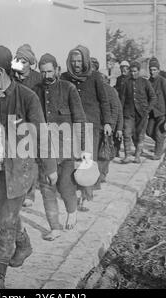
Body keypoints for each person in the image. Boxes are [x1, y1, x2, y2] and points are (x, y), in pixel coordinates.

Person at [0, 46, 57, 288]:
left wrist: (50, 167)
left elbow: (41, 133)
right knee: (6, 215)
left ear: (0, 71)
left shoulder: (27, 97)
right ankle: (24, 244)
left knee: (6, 220)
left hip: (18, 171)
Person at [33, 53, 87, 241]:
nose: (47, 75)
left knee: (65, 184)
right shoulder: (35, 91)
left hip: (66, 147)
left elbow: (79, 118)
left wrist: (83, 148)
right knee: (47, 187)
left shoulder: (68, 88)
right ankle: (54, 227)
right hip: (44, 147)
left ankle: (72, 211)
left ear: (57, 70)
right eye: (43, 72)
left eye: (50, 71)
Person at [61, 45, 113, 212]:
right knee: (73, 160)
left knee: (88, 160)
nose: (76, 64)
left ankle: (86, 195)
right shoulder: (64, 77)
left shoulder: (96, 77)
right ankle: (73, 193)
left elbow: (104, 101)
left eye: (79, 61)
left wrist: (107, 122)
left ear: (85, 60)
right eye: (73, 61)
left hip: (91, 124)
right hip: (71, 124)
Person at [12, 44, 42, 208]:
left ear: (30, 63)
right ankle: (19, 190)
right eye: (18, 61)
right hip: (15, 122)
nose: (21, 64)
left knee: (31, 159)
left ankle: (30, 193)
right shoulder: (12, 78)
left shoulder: (38, 79)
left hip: (33, 123)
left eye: (24, 61)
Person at [91, 57, 123, 177]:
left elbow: (115, 108)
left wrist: (111, 125)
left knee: (104, 150)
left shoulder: (107, 89)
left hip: (104, 125)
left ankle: (102, 173)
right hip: (91, 124)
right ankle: (94, 175)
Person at [119, 61, 157, 163]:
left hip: (142, 114)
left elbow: (153, 97)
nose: (132, 74)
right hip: (128, 113)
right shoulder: (126, 83)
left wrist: (148, 110)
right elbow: (122, 99)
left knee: (140, 135)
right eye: (131, 71)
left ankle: (137, 156)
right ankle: (127, 156)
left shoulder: (145, 82)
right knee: (126, 133)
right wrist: (120, 113)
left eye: (135, 71)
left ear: (139, 71)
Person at [147, 57, 166, 160]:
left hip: (162, 112)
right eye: (150, 69)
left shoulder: (164, 82)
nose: (152, 72)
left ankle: (157, 154)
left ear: (158, 70)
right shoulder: (148, 82)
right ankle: (162, 142)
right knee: (149, 132)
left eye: (154, 70)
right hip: (152, 113)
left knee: (158, 132)